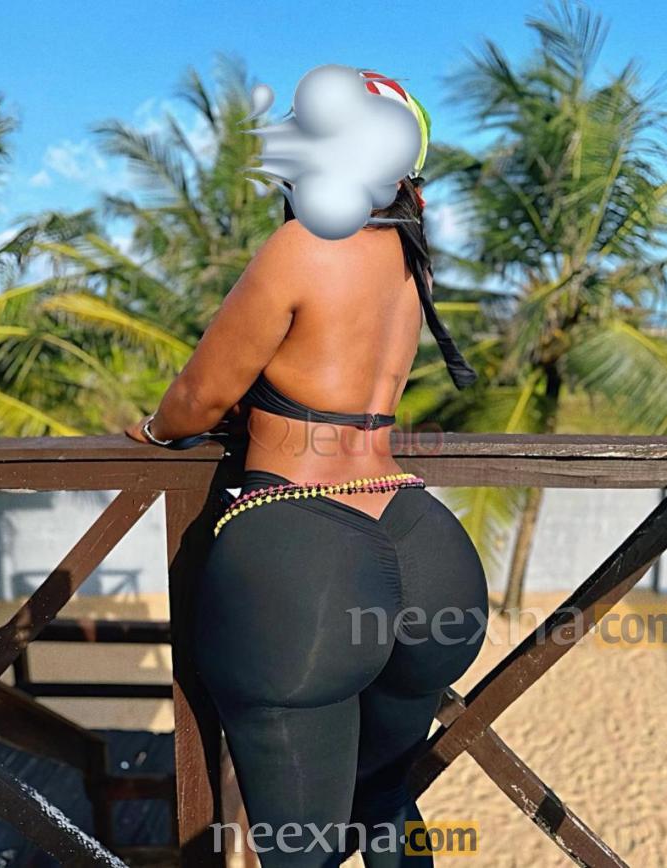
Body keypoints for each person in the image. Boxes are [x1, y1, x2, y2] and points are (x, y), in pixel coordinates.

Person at [125, 71, 489, 866]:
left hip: (305, 556)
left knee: (302, 850)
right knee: (385, 806)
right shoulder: (412, 263)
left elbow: (196, 398)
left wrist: (152, 430)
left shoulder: (301, 246)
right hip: (427, 547)